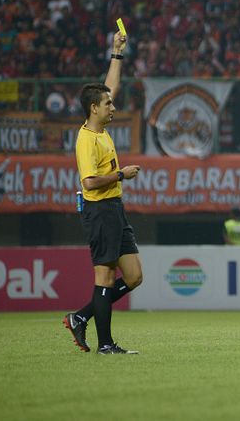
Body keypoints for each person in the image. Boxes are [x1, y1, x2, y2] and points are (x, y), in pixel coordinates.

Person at [62, 30, 143, 355]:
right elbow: (89, 182)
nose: (113, 105)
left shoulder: (101, 128)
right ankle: (105, 344)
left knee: (134, 276)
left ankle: (81, 316)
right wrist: (121, 174)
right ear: (94, 108)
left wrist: (116, 53)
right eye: (108, 103)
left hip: (115, 209)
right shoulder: (86, 140)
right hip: (99, 210)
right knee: (105, 279)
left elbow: (112, 85)